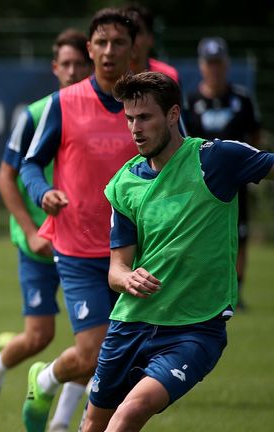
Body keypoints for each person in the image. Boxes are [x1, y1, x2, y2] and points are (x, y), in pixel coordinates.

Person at [82, 71, 274, 431]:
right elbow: (116, 269)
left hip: (195, 329)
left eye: (145, 117)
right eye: (129, 119)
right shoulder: (124, 183)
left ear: (172, 115)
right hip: (130, 323)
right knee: (94, 422)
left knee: (130, 411)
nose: (135, 128)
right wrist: (128, 278)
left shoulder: (215, 159)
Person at [18, 9, 140, 432]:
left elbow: (184, 158)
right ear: (89, 50)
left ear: (134, 50)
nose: (109, 51)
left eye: (118, 42)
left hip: (137, 250)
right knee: (93, 354)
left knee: (125, 360)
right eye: (101, 43)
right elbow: (29, 166)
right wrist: (42, 193)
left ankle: (78, 414)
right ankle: (45, 379)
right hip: (77, 247)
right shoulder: (62, 103)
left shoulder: (148, 105)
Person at [0, 28, 93, 432]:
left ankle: (60, 422)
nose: (73, 71)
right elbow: (7, 177)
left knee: (94, 341)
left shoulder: (102, 112)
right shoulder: (38, 114)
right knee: (39, 336)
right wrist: (29, 231)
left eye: (80, 64)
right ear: (54, 68)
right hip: (38, 241)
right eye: (66, 64)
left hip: (86, 241)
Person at [182, 36, 262, 310]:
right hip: (201, 182)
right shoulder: (190, 102)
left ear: (225, 64)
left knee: (239, 235)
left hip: (238, 180)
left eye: (218, 63)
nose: (214, 68)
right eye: (209, 63)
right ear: (201, 66)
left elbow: (256, 133)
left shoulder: (242, 98)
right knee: (201, 235)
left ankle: (236, 291)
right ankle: (205, 289)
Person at [123, 3, 180, 83]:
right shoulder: (107, 76)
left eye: (137, 32)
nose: (131, 38)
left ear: (150, 38)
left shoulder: (168, 77)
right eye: (127, 32)